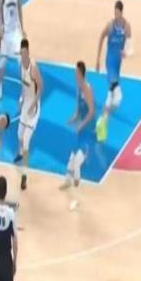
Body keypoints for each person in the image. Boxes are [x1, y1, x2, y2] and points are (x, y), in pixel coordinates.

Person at [95, 0, 133, 142]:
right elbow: (101, 37)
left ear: (121, 12)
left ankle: (102, 122)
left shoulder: (127, 26)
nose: (115, 15)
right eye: (114, 12)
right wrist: (98, 59)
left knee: (110, 97)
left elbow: (130, 48)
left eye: (117, 13)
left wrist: (126, 52)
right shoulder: (110, 25)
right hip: (110, 63)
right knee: (118, 98)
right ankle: (102, 122)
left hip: (117, 66)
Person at [59, 61, 95, 211]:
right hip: (81, 130)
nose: (74, 74)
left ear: (81, 73)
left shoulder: (87, 89)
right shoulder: (79, 88)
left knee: (77, 164)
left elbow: (91, 112)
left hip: (88, 131)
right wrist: (73, 118)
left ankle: (76, 199)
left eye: (76, 72)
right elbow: (78, 110)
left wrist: (81, 125)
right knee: (72, 157)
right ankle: (67, 181)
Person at [13, 39, 43, 191]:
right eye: (22, 53)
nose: (24, 55)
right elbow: (23, 86)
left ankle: (24, 176)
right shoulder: (20, 65)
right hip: (25, 105)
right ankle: (20, 153)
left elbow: (41, 87)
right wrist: (21, 99)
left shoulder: (33, 68)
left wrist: (33, 105)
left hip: (33, 109)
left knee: (26, 142)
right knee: (19, 135)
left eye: (25, 53)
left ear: (28, 52)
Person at [0, 0, 25, 103]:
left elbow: (19, 7)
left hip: (15, 32)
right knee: (2, 64)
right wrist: (0, 26)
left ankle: (23, 92)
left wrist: (22, 28)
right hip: (6, 32)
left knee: (21, 61)